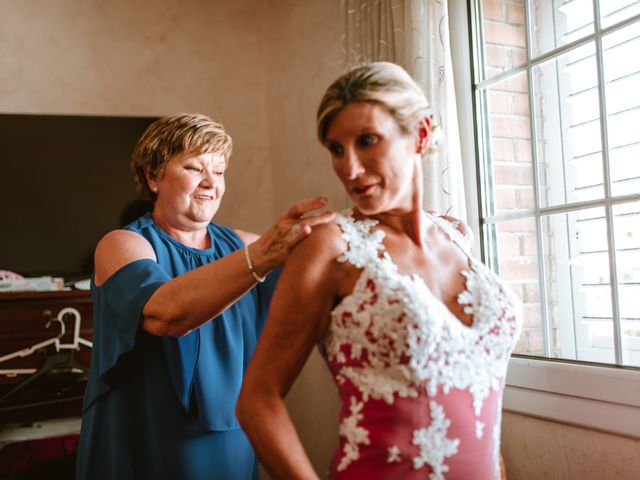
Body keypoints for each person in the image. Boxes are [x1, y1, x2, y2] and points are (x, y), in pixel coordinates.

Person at [237, 62, 523, 479]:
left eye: (367, 141)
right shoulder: (329, 247)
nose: (348, 169)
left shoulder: (459, 236)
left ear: (420, 135)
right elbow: (258, 399)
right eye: (336, 149)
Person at [75, 113, 334, 479]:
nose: (211, 183)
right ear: (153, 177)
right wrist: (260, 258)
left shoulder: (242, 244)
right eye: (195, 168)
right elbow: (166, 314)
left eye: (220, 170)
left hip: (232, 438)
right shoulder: (123, 245)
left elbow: (328, 280)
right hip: (146, 438)